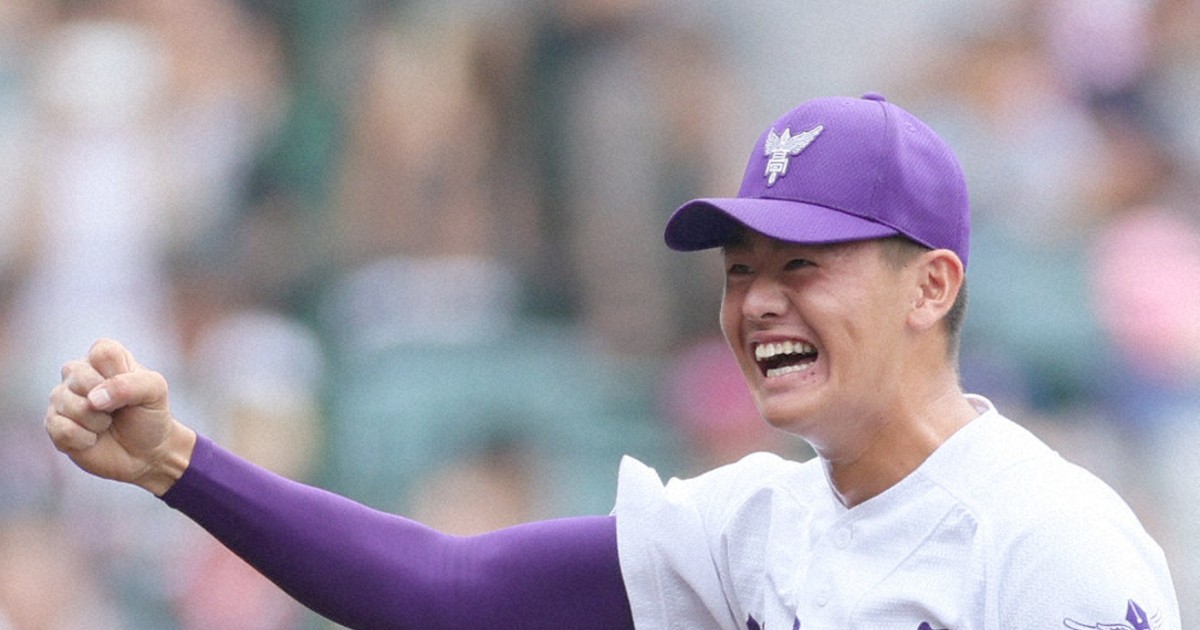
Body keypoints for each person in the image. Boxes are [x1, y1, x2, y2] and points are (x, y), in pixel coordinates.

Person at [44, 94, 1180, 629]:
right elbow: (446, 591)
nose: (758, 302)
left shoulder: (1046, 540)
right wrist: (177, 465)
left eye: (804, 264)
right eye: (742, 269)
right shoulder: (752, 526)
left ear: (931, 286)